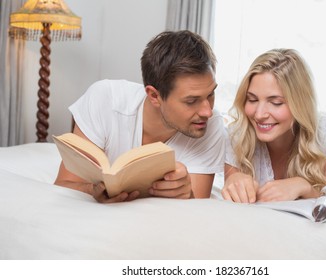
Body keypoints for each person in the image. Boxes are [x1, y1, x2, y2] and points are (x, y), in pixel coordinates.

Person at [54, 30, 225, 203]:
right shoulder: (105, 100)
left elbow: (197, 213)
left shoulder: (211, 124)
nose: (207, 112)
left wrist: (188, 195)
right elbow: (64, 184)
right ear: (154, 96)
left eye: (211, 94)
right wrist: (93, 191)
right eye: (191, 101)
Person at [222, 48, 326, 203]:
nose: (259, 114)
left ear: (299, 104)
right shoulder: (236, 135)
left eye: (276, 103)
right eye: (252, 100)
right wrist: (233, 178)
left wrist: (304, 187)